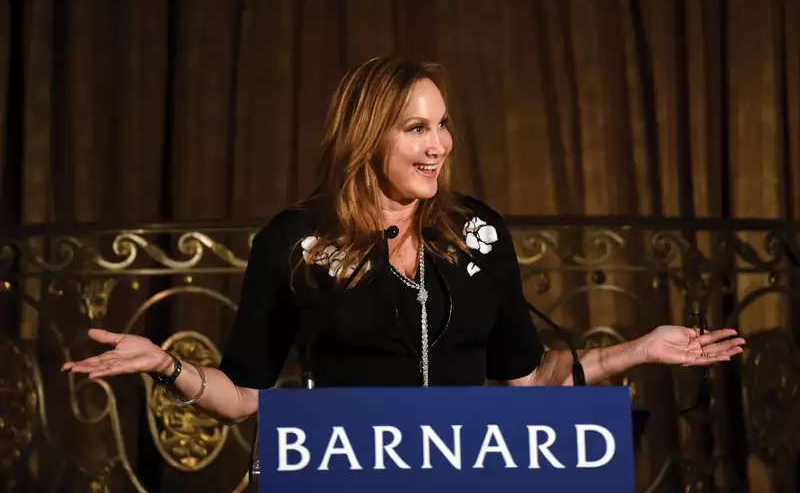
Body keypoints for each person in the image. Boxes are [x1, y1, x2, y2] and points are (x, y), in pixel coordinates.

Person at [62, 56, 745, 423]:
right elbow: (245, 397)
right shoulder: (296, 241)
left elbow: (528, 378)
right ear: (368, 135)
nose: (439, 146)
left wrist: (641, 349)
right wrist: (162, 365)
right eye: (417, 128)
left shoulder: (475, 233)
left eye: (443, 126)